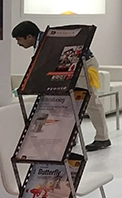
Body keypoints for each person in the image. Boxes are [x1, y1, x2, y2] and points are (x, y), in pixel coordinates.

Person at [12, 21, 111, 151]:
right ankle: (71, 138)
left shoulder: (49, 41)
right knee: (69, 105)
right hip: (70, 68)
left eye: (19, 39)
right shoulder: (43, 41)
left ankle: (102, 138)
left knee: (91, 102)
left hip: (83, 66)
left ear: (29, 36)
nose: (18, 43)